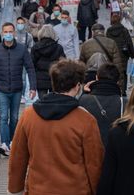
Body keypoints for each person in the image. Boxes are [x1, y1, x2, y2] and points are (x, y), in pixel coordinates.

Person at [8, 59, 104, 195]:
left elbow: (18, 157)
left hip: (38, 190)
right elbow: (94, 164)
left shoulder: (29, 116)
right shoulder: (85, 120)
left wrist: (15, 189)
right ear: (77, 86)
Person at [0, 22, 37, 156]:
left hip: (16, 89)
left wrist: (33, 87)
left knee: (14, 117)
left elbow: (30, 68)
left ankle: (13, 141)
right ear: (2, 33)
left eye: (10, 32)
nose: (8, 34)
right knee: (3, 116)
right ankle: (4, 143)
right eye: (5, 32)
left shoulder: (22, 49)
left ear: (13, 33)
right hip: (1, 89)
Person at [79, 64, 126, 146]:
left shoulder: (83, 100)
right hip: (116, 150)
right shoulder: (125, 103)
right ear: (117, 82)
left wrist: (83, 92)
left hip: (91, 149)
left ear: (96, 78)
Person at [31, 25, 65, 98]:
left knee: (43, 101)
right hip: (54, 78)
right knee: (53, 101)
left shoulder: (35, 47)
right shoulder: (58, 47)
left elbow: (32, 64)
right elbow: (63, 64)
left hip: (40, 79)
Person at [106, 14, 134, 96]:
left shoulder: (109, 31)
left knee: (113, 72)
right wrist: (133, 55)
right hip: (123, 55)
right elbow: (129, 43)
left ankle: (114, 89)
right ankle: (123, 90)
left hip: (113, 55)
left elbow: (107, 43)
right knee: (123, 73)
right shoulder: (124, 30)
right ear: (119, 20)